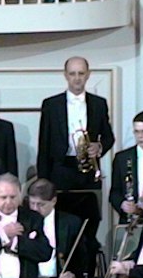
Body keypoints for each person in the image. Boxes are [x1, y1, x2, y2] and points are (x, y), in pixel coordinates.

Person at [37, 56, 115, 191]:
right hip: (60, 171)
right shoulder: (51, 105)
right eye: (72, 74)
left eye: (81, 73)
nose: (77, 78)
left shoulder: (99, 104)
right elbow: (44, 144)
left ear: (88, 75)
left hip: (89, 172)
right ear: (65, 75)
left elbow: (109, 137)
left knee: (90, 211)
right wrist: (43, 179)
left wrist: (99, 147)